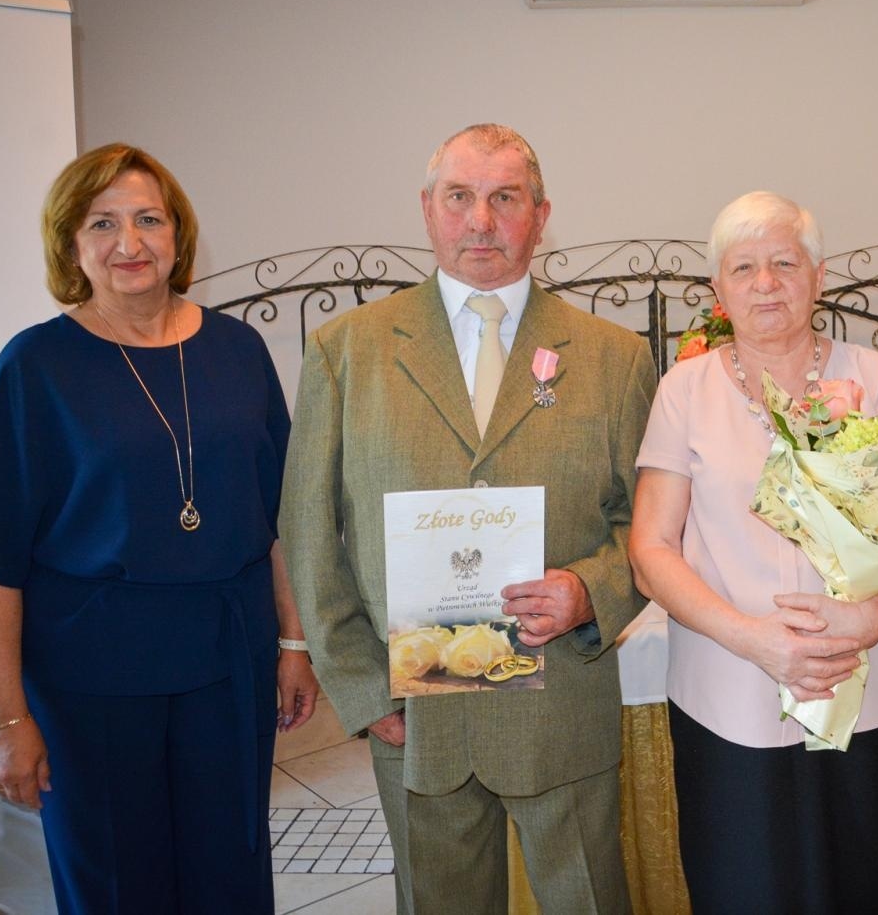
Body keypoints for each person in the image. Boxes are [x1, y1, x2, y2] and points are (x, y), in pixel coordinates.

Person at [279, 123, 655, 915]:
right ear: (427, 211)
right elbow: (311, 534)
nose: (481, 220)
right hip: (413, 715)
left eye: (504, 198)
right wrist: (361, 687)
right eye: (460, 197)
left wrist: (590, 591)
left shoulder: (614, 357)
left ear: (540, 216)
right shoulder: (347, 351)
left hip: (562, 704)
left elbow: (647, 524)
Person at [0, 143, 318, 914]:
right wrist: (5, 718)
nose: (130, 243)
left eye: (149, 219)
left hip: (228, 665)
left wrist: (293, 643)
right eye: (103, 223)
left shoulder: (237, 350)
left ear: (178, 233)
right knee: (118, 885)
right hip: (92, 682)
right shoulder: (33, 369)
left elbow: (281, 520)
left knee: (231, 876)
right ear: (71, 244)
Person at [629, 191, 878, 914]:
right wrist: (757, 642)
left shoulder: (875, 378)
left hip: (866, 688)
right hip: (730, 696)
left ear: (819, 276)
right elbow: (650, 548)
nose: (765, 283)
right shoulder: (685, 390)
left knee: (865, 885)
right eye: (744, 267)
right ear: (718, 290)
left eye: (783, 263)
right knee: (745, 889)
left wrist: (869, 620)